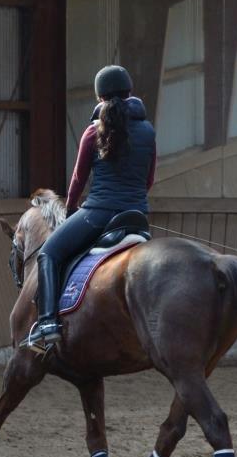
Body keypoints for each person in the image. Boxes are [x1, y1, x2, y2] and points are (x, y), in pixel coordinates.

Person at [21, 64, 157, 350]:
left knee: (48, 253)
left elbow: (78, 181)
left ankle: (46, 322)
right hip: (136, 215)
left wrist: (71, 213)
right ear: (129, 92)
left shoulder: (93, 132)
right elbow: (149, 179)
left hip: (98, 213)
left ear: (100, 98)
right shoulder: (147, 130)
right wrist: (131, 201)